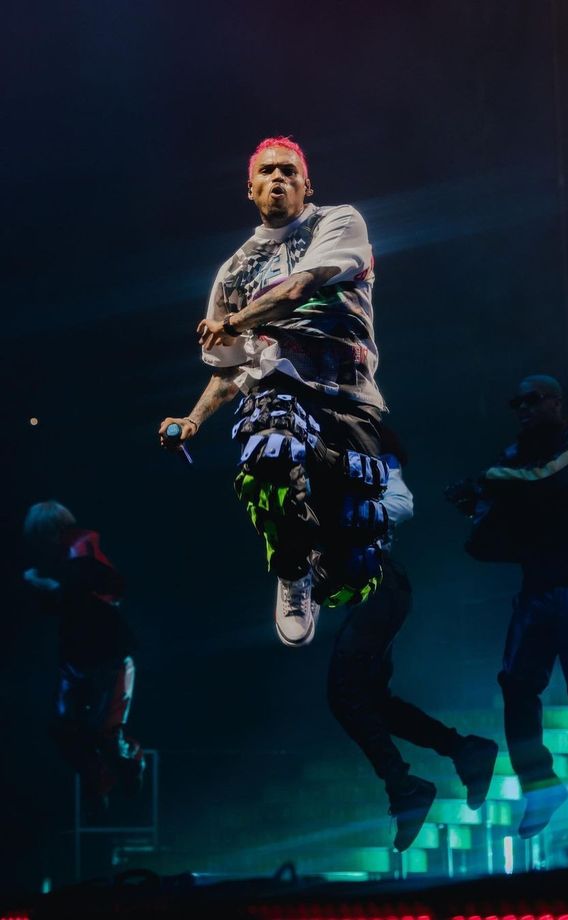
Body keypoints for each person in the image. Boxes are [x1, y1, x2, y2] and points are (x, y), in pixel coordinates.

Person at [159, 136, 388, 647]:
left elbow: (303, 286)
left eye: (289, 171)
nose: (278, 179)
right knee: (271, 444)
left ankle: (326, 567)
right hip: (279, 388)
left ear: (308, 184)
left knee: (355, 572)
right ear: (250, 188)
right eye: (267, 172)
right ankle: (292, 570)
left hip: (346, 393)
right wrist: (194, 419)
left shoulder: (338, 222)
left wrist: (236, 320)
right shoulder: (234, 271)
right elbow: (231, 369)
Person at [445, 374, 568, 839]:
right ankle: (541, 785)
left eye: (531, 400)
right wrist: (481, 499)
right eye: (517, 403)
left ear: (555, 401)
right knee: (516, 686)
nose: (523, 408)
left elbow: (551, 477)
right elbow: (494, 507)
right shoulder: (514, 454)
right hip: (539, 586)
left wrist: (494, 485)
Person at [327, 428, 499, 852]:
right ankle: (464, 750)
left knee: (346, 693)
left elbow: (401, 503)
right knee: (373, 702)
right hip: (371, 589)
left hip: (379, 584)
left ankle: (405, 786)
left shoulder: (369, 454)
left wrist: (348, 517)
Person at [21, 501, 145, 811]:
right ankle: (101, 779)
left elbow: (105, 589)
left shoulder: (81, 548)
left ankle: (127, 767)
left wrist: (49, 586)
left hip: (108, 656)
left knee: (106, 735)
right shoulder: (62, 558)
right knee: (65, 729)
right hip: (79, 658)